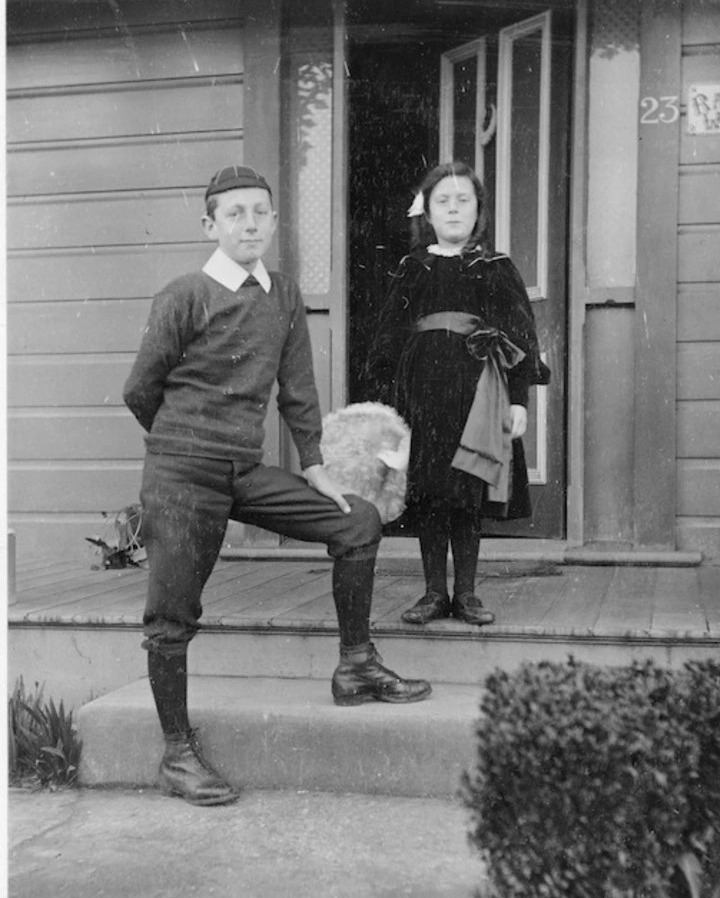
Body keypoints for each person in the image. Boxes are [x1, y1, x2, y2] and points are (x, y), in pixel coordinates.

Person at [123, 165, 431, 807]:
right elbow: (139, 390)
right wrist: (182, 450)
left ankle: (355, 665)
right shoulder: (185, 294)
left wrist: (315, 465)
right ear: (210, 224)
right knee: (172, 614)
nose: (250, 223)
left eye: (260, 212)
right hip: (182, 471)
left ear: (273, 221)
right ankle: (177, 754)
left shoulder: (283, 294)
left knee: (357, 522)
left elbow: (298, 388)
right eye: (234, 213)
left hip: (244, 471)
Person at [366, 161, 550, 627]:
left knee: (467, 488)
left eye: (462, 200)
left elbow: (518, 336)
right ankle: (432, 592)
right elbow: (387, 338)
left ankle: (466, 593)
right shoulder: (412, 269)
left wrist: (518, 400)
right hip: (421, 392)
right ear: (427, 211)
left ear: (477, 211)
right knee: (429, 490)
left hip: (480, 392)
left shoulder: (495, 267)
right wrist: (389, 407)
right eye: (442, 201)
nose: (452, 209)